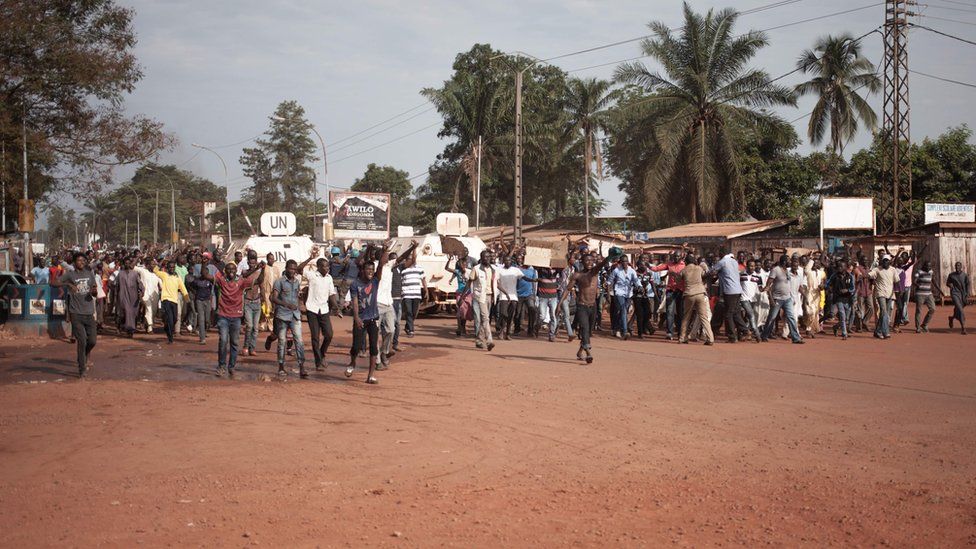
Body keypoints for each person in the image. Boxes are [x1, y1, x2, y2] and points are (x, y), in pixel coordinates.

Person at [200, 257, 265, 378]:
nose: (231, 271)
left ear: (236, 271)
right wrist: (204, 264)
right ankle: (221, 366)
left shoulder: (241, 281)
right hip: (223, 316)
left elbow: (258, 281)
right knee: (223, 341)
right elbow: (205, 275)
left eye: (233, 269)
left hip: (236, 317)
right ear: (225, 270)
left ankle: (232, 366)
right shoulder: (220, 279)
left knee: (234, 343)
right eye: (229, 269)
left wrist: (262, 269)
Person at [346, 242, 391, 384]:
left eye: (372, 269)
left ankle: (370, 375)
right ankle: (352, 363)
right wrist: (356, 318)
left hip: (373, 318)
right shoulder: (355, 284)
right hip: (360, 319)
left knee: (373, 347)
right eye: (368, 269)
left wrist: (385, 250)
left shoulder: (376, 281)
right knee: (356, 346)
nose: (370, 271)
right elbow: (354, 302)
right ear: (363, 271)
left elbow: (382, 265)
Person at [51, 252, 99, 378]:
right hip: (76, 312)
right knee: (82, 340)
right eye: (79, 260)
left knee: (92, 341)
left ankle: (84, 355)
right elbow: (53, 283)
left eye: (83, 260)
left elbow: (94, 292)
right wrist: (67, 284)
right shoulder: (70, 274)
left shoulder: (90, 274)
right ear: (74, 262)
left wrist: (94, 291)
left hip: (89, 312)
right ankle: (82, 368)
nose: (81, 262)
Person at [559, 253, 612, 364]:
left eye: (591, 260)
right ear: (582, 262)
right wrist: (559, 304)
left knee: (589, 331)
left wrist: (609, 257)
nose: (589, 262)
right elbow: (568, 289)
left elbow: (601, 264)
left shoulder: (594, 272)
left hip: (593, 306)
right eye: (587, 260)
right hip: (581, 305)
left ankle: (580, 351)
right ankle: (588, 352)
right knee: (584, 328)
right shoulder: (577, 275)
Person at [271, 251, 317, 379]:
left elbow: (297, 297)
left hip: (295, 315)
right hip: (282, 315)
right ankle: (281, 366)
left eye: (294, 269)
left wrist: (299, 307)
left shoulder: (297, 282)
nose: (292, 271)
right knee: (282, 341)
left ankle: (302, 366)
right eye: (290, 268)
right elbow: (274, 298)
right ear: (286, 269)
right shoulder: (279, 282)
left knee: (299, 341)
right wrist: (286, 304)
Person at [709, 248, 757, 343]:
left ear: (721, 253)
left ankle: (732, 337)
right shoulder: (734, 261)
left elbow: (711, 271)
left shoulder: (722, 262)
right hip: (738, 290)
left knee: (728, 314)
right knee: (735, 313)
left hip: (729, 291)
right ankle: (745, 330)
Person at [305, 257, 339, 372]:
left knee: (329, 334)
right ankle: (318, 361)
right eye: (324, 266)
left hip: (324, 310)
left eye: (328, 266)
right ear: (318, 267)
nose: (327, 268)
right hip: (312, 309)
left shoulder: (329, 278)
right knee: (315, 337)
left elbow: (331, 294)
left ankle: (322, 353)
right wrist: (310, 257)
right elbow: (299, 269)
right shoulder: (312, 275)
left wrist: (336, 307)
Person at [760, 255, 804, 344]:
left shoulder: (787, 271)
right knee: (772, 318)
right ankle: (764, 335)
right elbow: (768, 285)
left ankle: (795, 338)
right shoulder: (775, 270)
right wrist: (771, 299)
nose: (790, 262)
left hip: (787, 299)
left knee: (791, 317)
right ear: (784, 262)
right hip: (777, 299)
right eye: (788, 260)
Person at [678, 253, 714, 345]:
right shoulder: (699, 268)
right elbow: (704, 275)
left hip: (689, 294)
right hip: (700, 293)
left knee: (686, 317)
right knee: (704, 317)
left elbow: (678, 280)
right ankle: (710, 338)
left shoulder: (684, 270)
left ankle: (683, 338)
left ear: (686, 262)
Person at [650, 253, 686, 340]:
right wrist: (648, 265)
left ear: (681, 257)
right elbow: (656, 269)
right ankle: (669, 332)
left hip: (681, 290)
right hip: (670, 290)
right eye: (675, 256)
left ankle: (680, 331)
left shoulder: (684, 265)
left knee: (680, 312)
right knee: (669, 311)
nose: (676, 258)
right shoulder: (669, 264)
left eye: (678, 256)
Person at [466, 250, 496, 351]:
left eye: (488, 257)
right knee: (485, 318)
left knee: (485, 319)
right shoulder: (476, 269)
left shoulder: (493, 269)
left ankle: (479, 340)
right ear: (481, 258)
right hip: (479, 297)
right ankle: (489, 341)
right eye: (485, 257)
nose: (487, 258)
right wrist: (462, 297)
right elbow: (469, 282)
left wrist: (504, 292)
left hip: (490, 296)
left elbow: (496, 283)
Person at [153, 260, 189, 344]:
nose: (172, 269)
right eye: (170, 267)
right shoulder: (164, 275)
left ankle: (166, 327)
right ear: (167, 268)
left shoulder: (177, 277)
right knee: (170, 318)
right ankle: (170, 338)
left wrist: (187, 299)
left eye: (173, 267)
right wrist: (160, 263)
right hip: (166, 300)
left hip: (174, 301)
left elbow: (183, 288)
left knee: (175, 318)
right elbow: (155, 270)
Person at [608, 256, 639, 339]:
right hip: (619, 292)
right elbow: (610, 279)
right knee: (623, 309)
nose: (624, 263)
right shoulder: (616, 271)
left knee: (623, 311)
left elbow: (636, 280)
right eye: (623, 262)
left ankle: (617, 328)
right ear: (620, 263)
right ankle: (625, 331)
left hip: (628, 294)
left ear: (628, 262)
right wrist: (607, 285)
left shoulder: (632, 271)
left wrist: (639, 286)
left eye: (626, 261)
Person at [868, 255, 898, 339]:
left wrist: (897, 293)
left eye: (887, 260)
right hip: (880, 293)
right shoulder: (877, 269)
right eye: (884, 260)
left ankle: (877, 331)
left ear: (890, 262)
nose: (885, 262)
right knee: (884, 311)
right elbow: (870, 275)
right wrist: (869, 279)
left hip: (890, 294)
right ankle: (886, 332)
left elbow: (897, 281)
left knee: (884, 314)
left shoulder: (893, 270)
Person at [113, 256, 143, 337]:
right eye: (125, 263)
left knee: (133, 313)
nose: (127, 264)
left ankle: (130, 328)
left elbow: (140, 284)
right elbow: (116, 285)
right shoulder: (120, 274)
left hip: (133, 297)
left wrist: (141, 292)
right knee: (125, 312)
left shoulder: (135, 273)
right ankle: (129, 329)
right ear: (123, 264)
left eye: (128, 263)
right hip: (123, 296)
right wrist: (116, 296)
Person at [186, 261, 215, 344]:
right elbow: (190, 285)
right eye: (203, 273)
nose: (204, 275)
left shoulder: (210, 281)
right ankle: (202, 338)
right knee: (201, 319)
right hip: (199, 301)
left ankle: (204, 331)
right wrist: (195, 293)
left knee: (207, 319)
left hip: (208, 301)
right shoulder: (196, 280)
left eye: (206, 273)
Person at [494, 255, 523, 340]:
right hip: (504, 296)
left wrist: (533, 280)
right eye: (506, 260)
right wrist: (505, 292)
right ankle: (501, 329)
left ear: (511, 261)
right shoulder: (499, 270)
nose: (507, 262)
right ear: (503, 261)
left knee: (510, 315)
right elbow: (497, 283)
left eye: (509, 260)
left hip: (513, 296)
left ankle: (507, 333)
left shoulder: (516, 270)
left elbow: (523, 277)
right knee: (504, 313)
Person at [826, 259, 855, 340]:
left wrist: (847, 290)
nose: (839, 268)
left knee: (846, 319)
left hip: (847, 299)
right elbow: (828, 283)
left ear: (845, 267)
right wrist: (828, 288)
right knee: (842, 315)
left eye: (841, 266)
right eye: (838, 266)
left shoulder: (850, 276)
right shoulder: (834, 276)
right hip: (838, 298)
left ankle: (835, 327)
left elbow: (853, 288)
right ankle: (844, 333)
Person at [242, 252, 264, 356]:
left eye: (254, 263)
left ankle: (252, 347)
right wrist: (256, 269)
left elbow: (261, 283)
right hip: (248, 301)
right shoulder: (245, 272)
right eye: (250, 263)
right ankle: (246, 346)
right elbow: (245, 277)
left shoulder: (259, 273)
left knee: (255, 328)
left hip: (257, 302)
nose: (252, 265)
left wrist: (263, 269)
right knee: (249, 326)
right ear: (248, 263)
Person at [399, 254, 426, 338]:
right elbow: (400, 282)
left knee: (414, 313)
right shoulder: (403, 270)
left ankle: (407, 326)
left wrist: (426, 290)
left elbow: (423, 280)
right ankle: (411, 330)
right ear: (407, 260)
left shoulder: (419, 269)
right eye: (411, 259)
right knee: (409, 312)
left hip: (416, 294)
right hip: (406, 294)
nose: (413, 260)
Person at [913, 261, 937, 333]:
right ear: (924, 266)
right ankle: (918, 327)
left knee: (933, 309)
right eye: (927, 266)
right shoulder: (919, 272)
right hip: (920, 294)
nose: (928, 268)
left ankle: (924, 324)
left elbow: (933, 281)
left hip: (929, 294)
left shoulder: (931, 272)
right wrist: (918, 285)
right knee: (919, 311)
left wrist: (939, 290)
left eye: (930, 266)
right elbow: (914, 281)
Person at [947, 261, 970, 335]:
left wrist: (967, 293)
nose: (957, 267)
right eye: (956, 266)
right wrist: (950, 285)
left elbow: (968, 284)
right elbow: (947, 282)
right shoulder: (951, 275)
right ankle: (963, 328)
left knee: (958, 310)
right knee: (960, 310)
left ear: (961, 267)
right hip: (955, 294)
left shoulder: (965, 275)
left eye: (958, 266)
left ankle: (952, 318)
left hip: (963, 295)